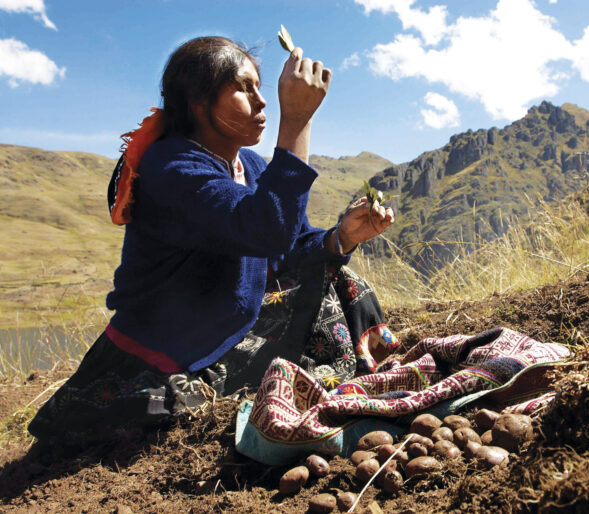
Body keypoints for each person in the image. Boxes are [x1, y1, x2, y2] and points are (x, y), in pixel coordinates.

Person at [28, 36, 397, 443]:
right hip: (168, 351)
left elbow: (287, 246)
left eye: (259, 87)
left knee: (341, 282)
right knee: (164, 410)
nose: (261, 102)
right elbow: (264, 228)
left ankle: (359, 377)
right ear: (198, 103)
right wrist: (297, 121)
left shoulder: (250, 165)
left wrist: (340, 237)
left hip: (225, 328)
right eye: (244, 88)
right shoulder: (171, 167)